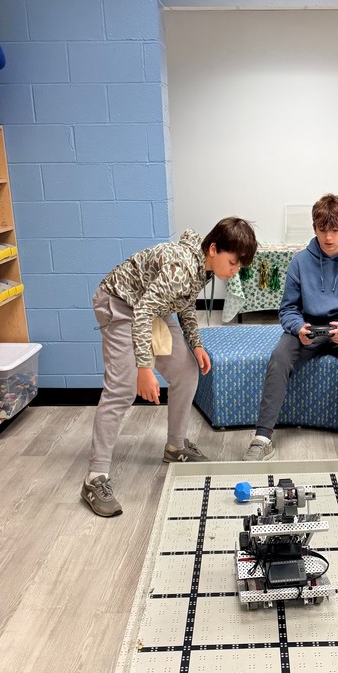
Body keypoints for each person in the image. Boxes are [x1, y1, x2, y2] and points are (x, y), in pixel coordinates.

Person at [82, 218, 258, 517]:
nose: (234, 270)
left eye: (239, 265)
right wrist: (144, 368)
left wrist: (196, 344)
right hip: (120, 303)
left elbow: (184, 304)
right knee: (122, 388)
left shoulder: (201, 267)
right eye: (232, 262)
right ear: (213, 249)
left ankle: (175, 448)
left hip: (147, 307)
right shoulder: (180, 269)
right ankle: (94, 478)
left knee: (187, 371)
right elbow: (142, 312)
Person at [243, 194, 338, 462]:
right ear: (314, 228)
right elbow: (287, 309)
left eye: (335, 230)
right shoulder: (300, 261)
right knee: (279, 357)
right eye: (322, 230)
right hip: (307, 329)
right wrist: (298, 328)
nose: (328, 237)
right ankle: (262, 438)